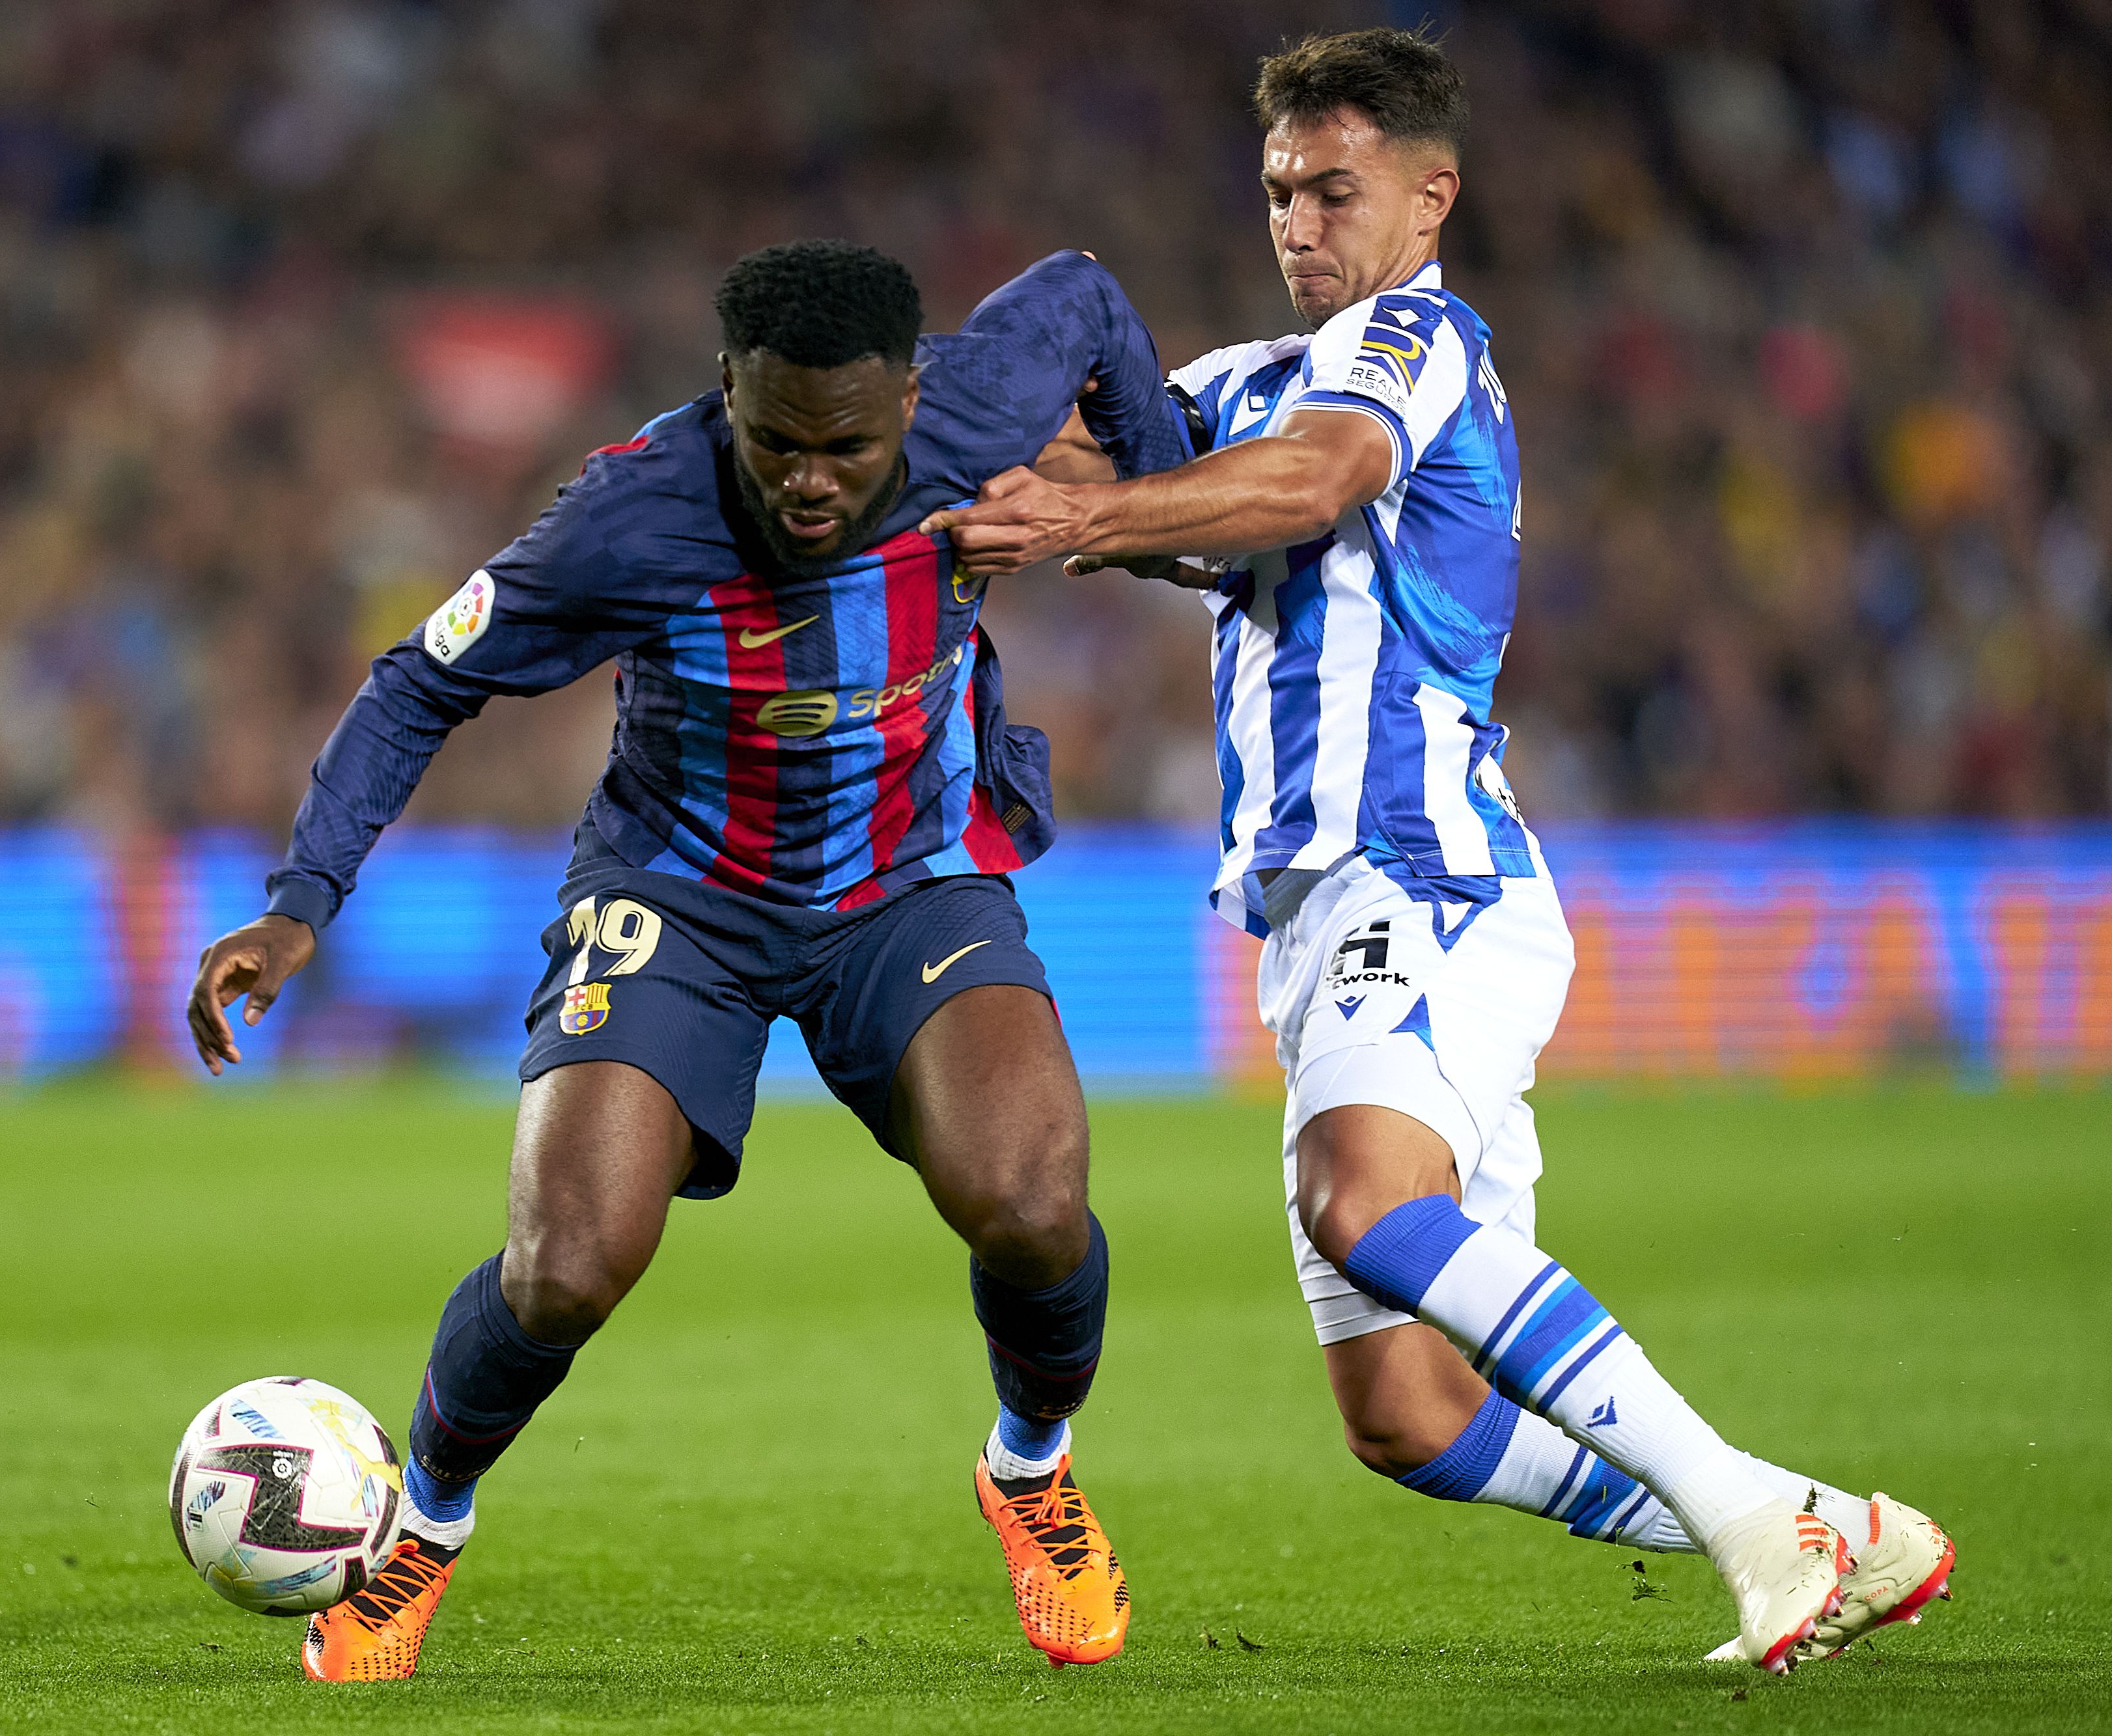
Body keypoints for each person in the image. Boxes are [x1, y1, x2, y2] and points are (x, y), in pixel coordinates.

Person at [923, 28, 1954, 1675]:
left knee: (1360, 1196)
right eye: (1276, 190)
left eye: (1332, 188)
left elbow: (1305, 481)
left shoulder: (1417, 345)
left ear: (1428, 193)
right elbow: (1096, 462)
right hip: (1310, 908)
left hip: (1423, 872)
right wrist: (891, 438)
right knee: (1403, 1412)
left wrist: (1096, 521)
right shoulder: (1253, 374)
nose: (1297, 219)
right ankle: (1816, 1518)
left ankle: (1759, 1531)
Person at [186, 240, 1193, 1680]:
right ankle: (423, 1523)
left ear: (913, 400)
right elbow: (421, 677)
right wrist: (301, 899)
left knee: (1032, 1200)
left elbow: (1088, 294)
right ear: (727, 395)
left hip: (905, 878)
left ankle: (1030, 1469)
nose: (808, 480)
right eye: (773, 439)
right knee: (565, 1264)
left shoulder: (982, 405)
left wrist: (1144, 512)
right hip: (680, 893)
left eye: (846, 447)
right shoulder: (628, 517)